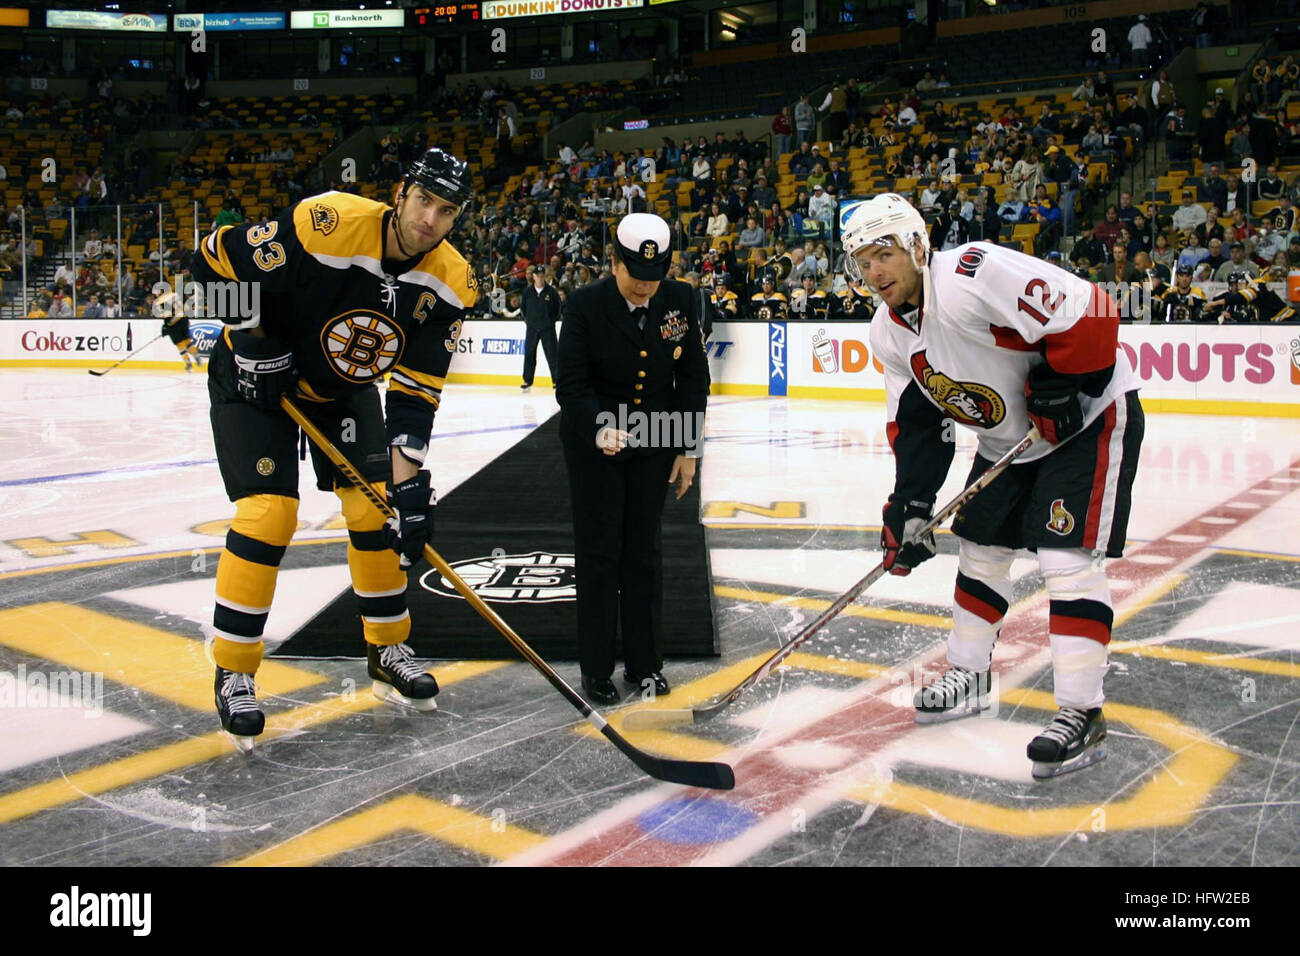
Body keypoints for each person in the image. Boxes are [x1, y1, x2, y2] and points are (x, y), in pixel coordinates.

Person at [841, 193, 1143, 779]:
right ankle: (970, 674)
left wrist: (1064, 384)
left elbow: (1095, 311)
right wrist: (911, 505)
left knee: (1065, 560)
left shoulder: (972, 274)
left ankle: (1083, 711)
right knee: (980, 548)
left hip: (1087, 421)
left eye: (884, 254)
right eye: (862, 262)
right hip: (1009, 443)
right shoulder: (887, 333)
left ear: (916, 246)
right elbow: (918, 425)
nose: (875, 272)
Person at [190, 148, 477, 749]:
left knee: (378, 510)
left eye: (445, 210)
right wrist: (249, 343)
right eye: (423, 200)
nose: (429, 219)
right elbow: (211, 259)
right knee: (269, 513)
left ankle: (387, 646)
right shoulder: (327, 222)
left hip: (342, 390)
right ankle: (235, 671)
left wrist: (408, 487)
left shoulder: (451, 282)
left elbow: (414, 397)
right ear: (401, 193)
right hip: (255, 378)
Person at [555, 213, 710, 705]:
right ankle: (596, 668)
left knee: (644, 555)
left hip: (655, 444)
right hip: (594, 447)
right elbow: (571, 385)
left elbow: (692, 380)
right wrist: (600, 426)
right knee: (600, 555)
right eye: (636, 278)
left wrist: (688, 450)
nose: (646, 288)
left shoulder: (682, 300)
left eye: (654, 277)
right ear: (613, 261)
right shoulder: (582, 306)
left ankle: (646, 666)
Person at [520, 265, 561, 391]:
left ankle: (556, 380)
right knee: (529, 354)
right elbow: (523, 309)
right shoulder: (528, 292)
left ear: (545, 276)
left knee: (552, 355)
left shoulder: (551, 292)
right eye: (538, 276)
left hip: (547, 328)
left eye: (542, 276)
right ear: (533, 277)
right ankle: (527, 380)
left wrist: (550, 321)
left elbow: (557, 308)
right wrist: (528, 321)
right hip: (532, 327)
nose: (540, 278)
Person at [156, 287, 202, 371]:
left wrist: (166, 326)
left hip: (174, 325)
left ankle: (188, 364)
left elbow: (167, 316)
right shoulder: (175, 294)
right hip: (183, 320)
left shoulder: (161, 301)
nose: (156, 294)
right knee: (187, 340)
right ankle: (196, 355)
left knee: (180, 344)